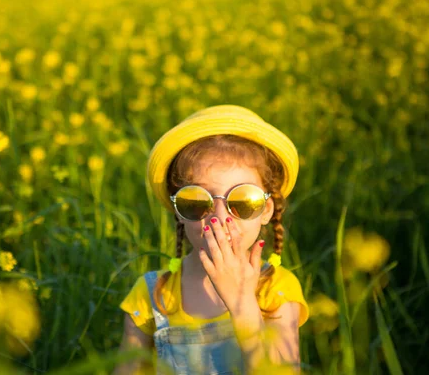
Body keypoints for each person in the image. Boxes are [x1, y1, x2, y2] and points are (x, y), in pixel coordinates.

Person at [113, 105, 309, 374]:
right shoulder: (152, 295)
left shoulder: (276, 290)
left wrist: (243, 306)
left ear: (266, 210)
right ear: (178, 212)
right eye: (196, 201)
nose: (219, 217)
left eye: (242, 201)